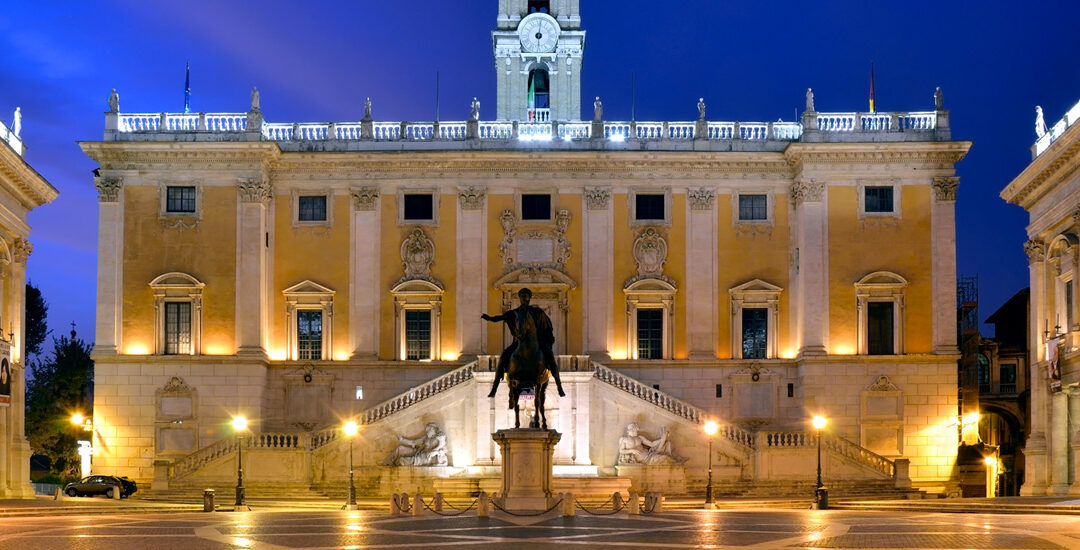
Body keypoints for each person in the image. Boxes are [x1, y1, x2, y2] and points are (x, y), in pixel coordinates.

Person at [481, 287, 565, 398]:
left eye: (526, 296)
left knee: (550, 357)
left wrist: (546, 340)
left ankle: (559, 386)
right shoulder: (515, 313)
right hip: (518, 342)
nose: (524, 298)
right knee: (503, 358)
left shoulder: (537, 312)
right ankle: (494, 388)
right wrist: (490, 318)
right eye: (522, 296)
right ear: (519, 298)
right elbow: (500, 317)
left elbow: (547, 325)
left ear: (529, 298)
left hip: (538, 343)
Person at [382, 423, 447, 466]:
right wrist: (402, 439)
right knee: (400, 448)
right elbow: (414, 442)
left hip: (425, 458)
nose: (427, 432)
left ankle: (395, 464)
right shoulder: (426, 437)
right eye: (426, 430)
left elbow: (445, 450)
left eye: (428, 430)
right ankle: (386, 462)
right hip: (418, 452)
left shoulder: (439, 438)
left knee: (401, 461)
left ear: (433, 430)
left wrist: (436, 452)